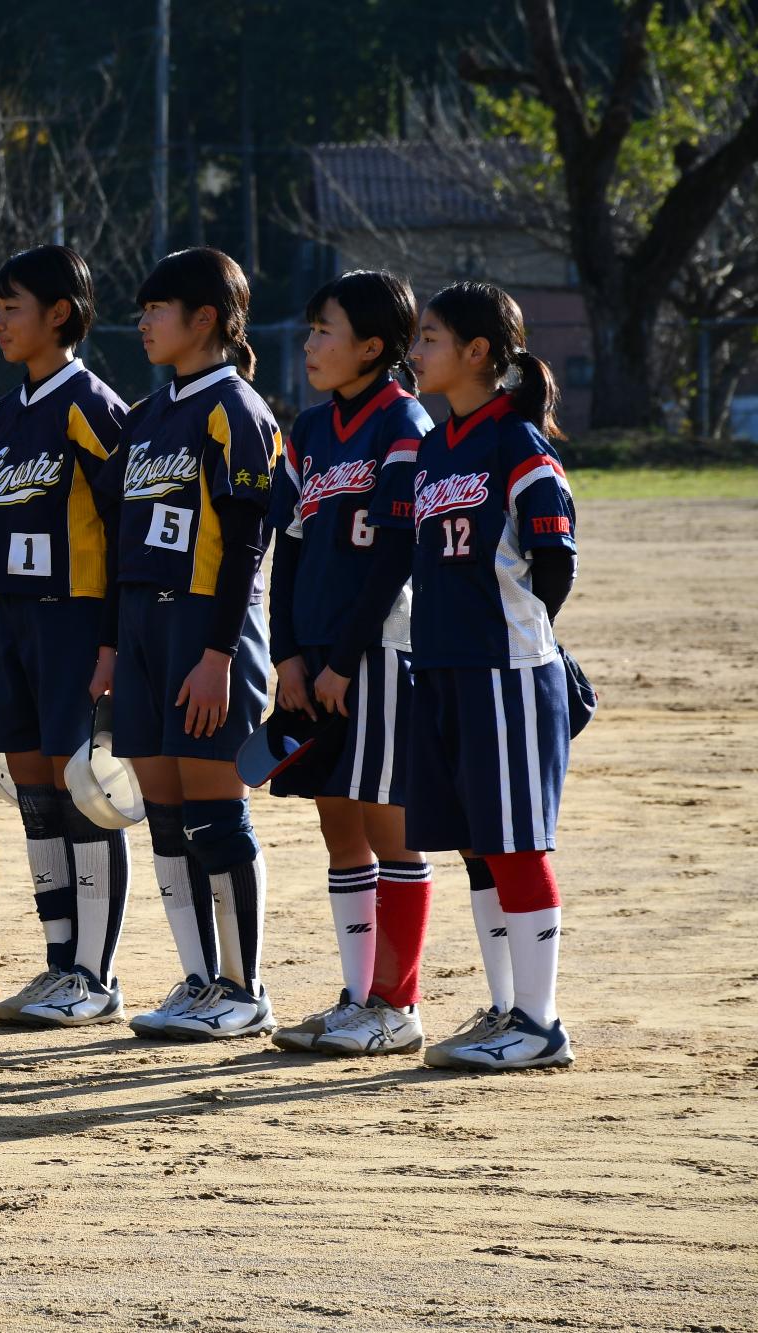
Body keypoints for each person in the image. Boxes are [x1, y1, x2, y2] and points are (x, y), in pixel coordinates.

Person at [101, 247, 282, 1041]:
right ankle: (199, 980)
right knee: (167, 818)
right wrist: (111, 646)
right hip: (143, 625)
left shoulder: (235, 409)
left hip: (208, 627)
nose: (143, 322)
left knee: (215, 813)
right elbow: (120, 542)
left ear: (204, 318)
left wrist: (219, 656)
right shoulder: (146, 415)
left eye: (157, 309)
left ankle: (243, 987)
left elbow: (245, 542)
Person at [404, 280, 579, 1071]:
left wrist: (518, 633)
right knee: (479, 845)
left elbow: (555, 559)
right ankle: (507, 1007)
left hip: (504, 667)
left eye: (430, 338)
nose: (416, 351)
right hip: (444, 663)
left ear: (478, 352)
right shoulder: (438, 444)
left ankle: (540, 1023)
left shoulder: (517, 441)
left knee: (514, 842)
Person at [266, 271, 437, 1056]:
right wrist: (288, 655)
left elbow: (396, 555)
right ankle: (357, 994)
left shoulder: (404, 422)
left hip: (377, 650)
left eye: (324, 330)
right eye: (309, 330)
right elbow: (289, 548)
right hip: (315, 657)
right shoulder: (307, 428)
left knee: (387, 823)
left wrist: (340, 659)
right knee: (338, 820)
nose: (310, 344)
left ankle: (396, 1004)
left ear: (372, 346)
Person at [0, 245, 135, 1024]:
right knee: (34, 788)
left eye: (13, 308)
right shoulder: (4, 414)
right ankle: (59, 960)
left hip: (75, 617)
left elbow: (127, 524)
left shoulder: (89, 404)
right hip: (13, 616)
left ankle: (94, 975)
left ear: (59, 314)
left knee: (82, 791)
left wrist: (112, 641)